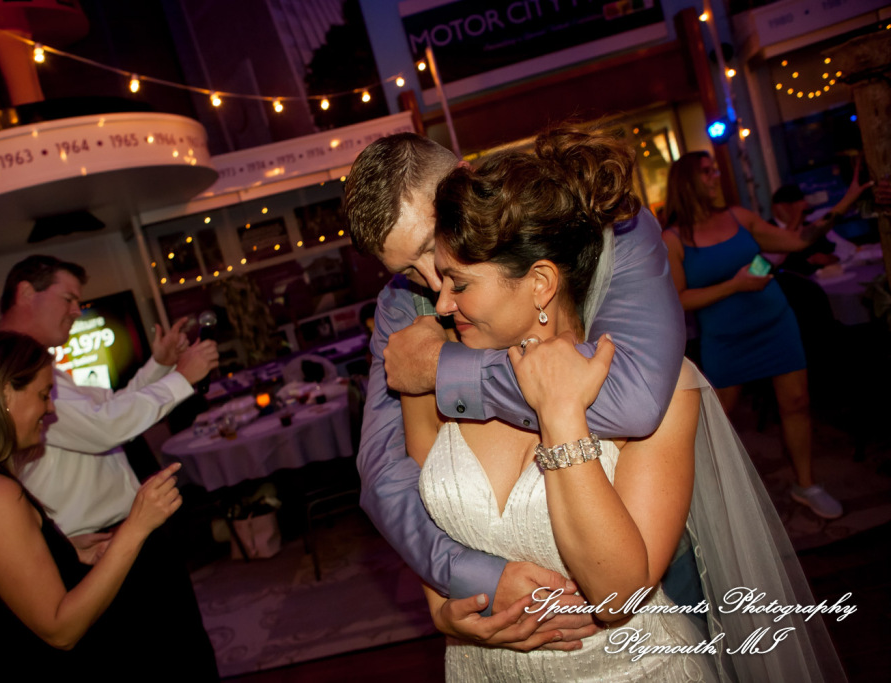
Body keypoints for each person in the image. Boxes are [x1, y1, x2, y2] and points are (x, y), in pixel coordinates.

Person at [408, 131, 844, 681]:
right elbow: (420, 518)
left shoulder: (662, 390)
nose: (442, 303)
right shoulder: (437, 376)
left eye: (459, 283)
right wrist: (444, 615)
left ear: (541, 282)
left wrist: (562, 417)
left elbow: (617, 596)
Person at [345, 131, 689, 649]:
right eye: (406, 269)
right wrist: (464, 585)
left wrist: (444, 367)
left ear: (464, 178)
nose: (430, 283)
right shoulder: (401, 306)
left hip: (647, 556)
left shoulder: (613, 230)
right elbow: (383, 474)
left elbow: (634, 399)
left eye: (427, 247)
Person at [0, 331, 183, 677]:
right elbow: (60, 629)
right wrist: (137, 527)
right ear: (5, 394)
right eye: (43, 394)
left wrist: (61, 551)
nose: (50, 408)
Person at [0, 254, 220, 677]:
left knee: (182, 651)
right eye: (68, 298)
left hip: (117, 535)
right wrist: (182, 378)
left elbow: (105, 410)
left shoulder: (36, 361)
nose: (76, 311)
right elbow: (105, 427)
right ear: (26, 292)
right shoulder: (11, 367)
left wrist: (159, 366)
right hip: (94, 545)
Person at [661, 153, 869, 519]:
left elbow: (799, 241)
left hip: (776, 323)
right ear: (687, 182)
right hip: (725, 339)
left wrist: (847, 201)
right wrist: (735, 285)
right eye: (707, 172)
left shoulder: (740, 217)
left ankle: (807, 485)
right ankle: (706, 503)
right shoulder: (673, 239)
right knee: (716, 421)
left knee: (797, 403)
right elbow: (679, 299)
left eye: (714, 169)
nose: (716, 176)